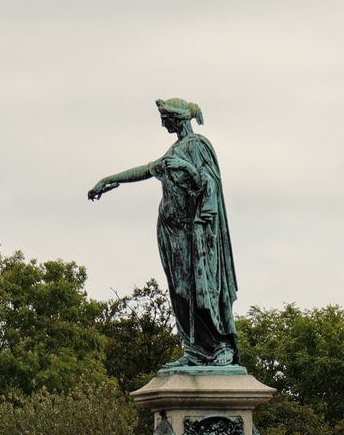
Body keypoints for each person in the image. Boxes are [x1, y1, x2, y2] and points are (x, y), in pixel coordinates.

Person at [89, 98, 239, 367]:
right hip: (170, 233)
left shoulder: (197, 146)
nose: (162, 123)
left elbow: (208, 184)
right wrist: (109, 180)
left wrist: (187, 169)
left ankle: (219, 346)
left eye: (165, 118)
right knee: (180, 292)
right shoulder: (174, 150)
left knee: (199, 289)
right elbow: (146, 170)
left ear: (177, 119)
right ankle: (194, 348)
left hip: (194, 233)